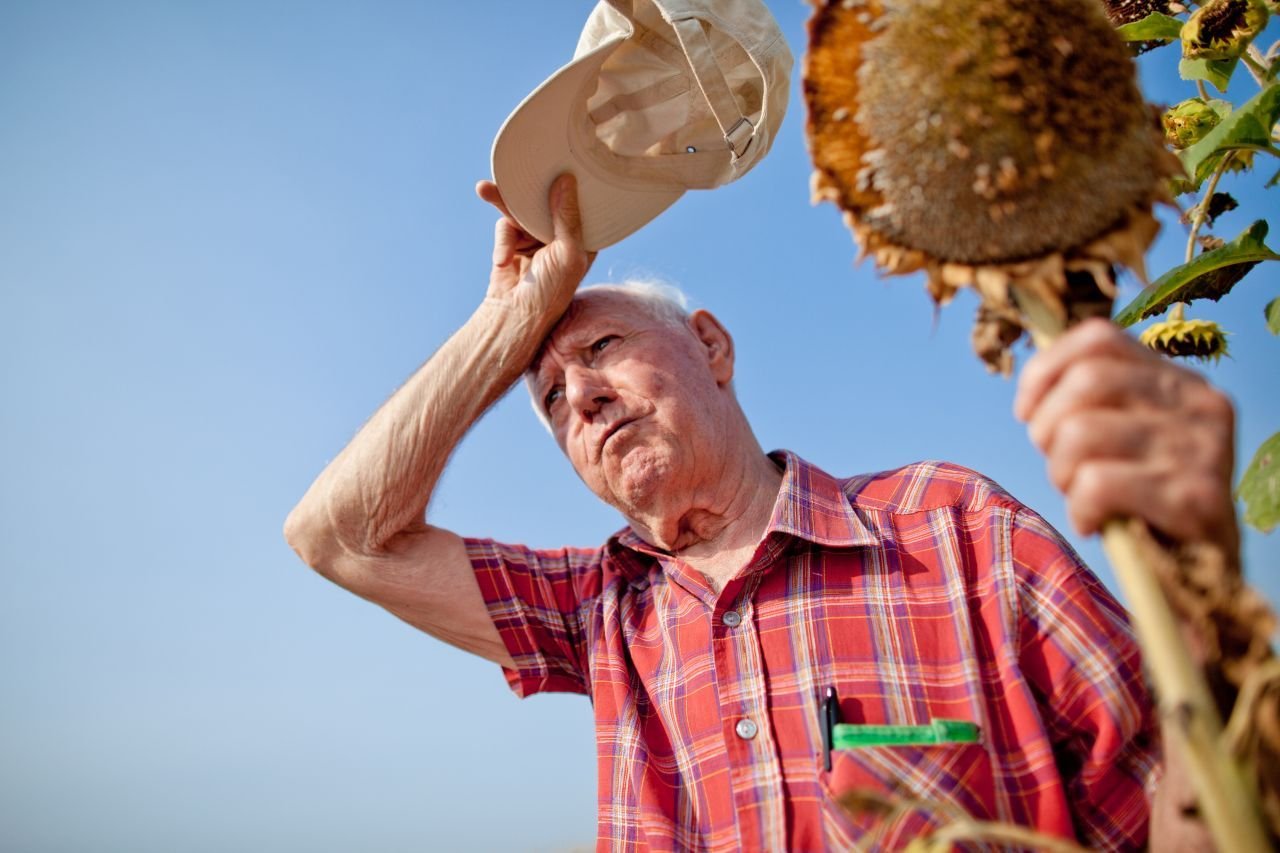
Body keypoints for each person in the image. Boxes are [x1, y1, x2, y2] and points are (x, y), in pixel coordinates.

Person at [284, 174, 1237, 851]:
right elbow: (337, 536)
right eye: (547, 397)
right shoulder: (598, 611)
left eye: (605, 345)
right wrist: (505, 320)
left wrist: (1201, 577)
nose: (580, 396)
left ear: (712, 346)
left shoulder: (955, 528)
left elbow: (1186, 803)